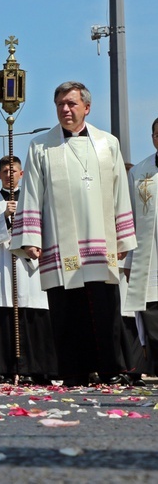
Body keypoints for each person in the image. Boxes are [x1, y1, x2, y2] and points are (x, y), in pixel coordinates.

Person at [10, 81, 137, 387]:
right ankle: (73, 371)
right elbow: (31, 192)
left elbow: (120, 192)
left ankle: (109, 368)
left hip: (101, 242)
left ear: (86, 108)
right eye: (60, 105)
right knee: (67, 310)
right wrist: (31, 237)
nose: (65, 110)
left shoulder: (109, 144)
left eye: (71, 104)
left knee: (104, 308)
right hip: (59, 240)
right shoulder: (41, 146)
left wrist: (122, 239)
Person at [0, 157, 56, 385]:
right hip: (2, 267)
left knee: (34, 316)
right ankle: (5, 369)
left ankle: (39, 369)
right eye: (5, 171)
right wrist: (4, 217)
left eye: (14, 171)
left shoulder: (34, 198)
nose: (9, 175)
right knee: (5, 317)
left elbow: (47, 224)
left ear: (22, 174)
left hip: (30, 266)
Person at [124, 117, 158, 379]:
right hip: (150, 259)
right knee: (152, 317)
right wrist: (129, 262)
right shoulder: (139, 173)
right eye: (157, 134)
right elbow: (131, 219)